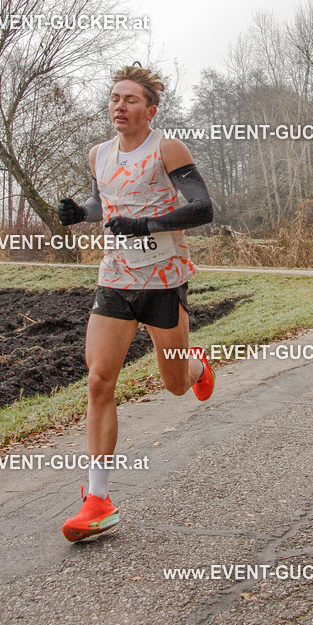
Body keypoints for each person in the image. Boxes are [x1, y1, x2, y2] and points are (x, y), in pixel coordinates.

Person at [57, 65, 214, 541]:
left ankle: (195, 365)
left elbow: (203, 207)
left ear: (150, 109)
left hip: (164, 281)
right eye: (114, 99)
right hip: (116, 281)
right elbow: (105, 203)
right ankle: (98, 500)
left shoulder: (167, 149)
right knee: (100, 379)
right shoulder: (98, 154)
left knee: (174, 386)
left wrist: (144, 226)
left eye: (129, 99)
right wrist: (79, 214)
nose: (119, 106)